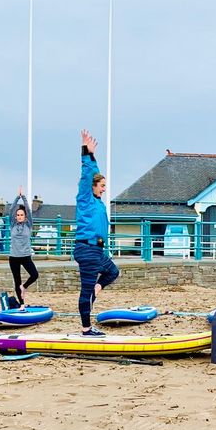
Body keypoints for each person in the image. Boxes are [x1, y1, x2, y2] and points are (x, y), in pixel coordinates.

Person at [72, 130, 119, 336]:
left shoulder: (98, 203)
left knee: (113, 272)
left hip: (98, 251)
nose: (104, 189)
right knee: (86, 291)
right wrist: (86, 153)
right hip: (87, 249)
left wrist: (94, 157)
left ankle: (96, 290)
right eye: (101, 186)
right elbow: (88, 175)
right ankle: (86, 329)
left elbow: (95, 174)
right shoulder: (85, 198)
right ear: (92, 187)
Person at [7, 186, 38, 308]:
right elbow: (10, 211)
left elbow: (29, 211)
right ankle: (22, 304)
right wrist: (16, 198)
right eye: (18, 215)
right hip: (13, 257)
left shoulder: (28, 225)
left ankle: (24, 287)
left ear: (25, 217)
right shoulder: (13, 225)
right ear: (16, 217)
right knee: (17, 280)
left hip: (25, 256)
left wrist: (23, 197)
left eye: (21, 215)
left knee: (34, 275)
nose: (19, 216)